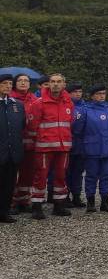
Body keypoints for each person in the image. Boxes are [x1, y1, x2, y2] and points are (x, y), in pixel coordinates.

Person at [27, 73, 75, 218]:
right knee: (40, 176)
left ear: (64, 85)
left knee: (61, 176)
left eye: (59, 81)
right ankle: (37, 206)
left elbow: (69, 123)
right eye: (52, 81)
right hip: (44, 147)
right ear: (48, 84)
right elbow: (32, 126)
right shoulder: (39, 103)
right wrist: (39, 141)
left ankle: (58, 205)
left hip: (63, 147)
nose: (55, 84)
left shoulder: (69, 102)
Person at [73, 85, 108, 212]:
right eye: (98, 93)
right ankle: (91, 202)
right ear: (92, 95)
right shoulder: (84, 110)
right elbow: (77, 130)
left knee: (106, 175)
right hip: (91, 148)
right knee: (91, 175)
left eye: (103, 93)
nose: (102, 96)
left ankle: (105, 201)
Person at [0, 74, 26, 224]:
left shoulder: (17, 105)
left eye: (10, 83)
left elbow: (21, 126)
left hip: (13, 152)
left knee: (9, 184)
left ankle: (4, 212)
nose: (8, 86)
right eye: (5, 83)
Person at [10, 73, 37, 214]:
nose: (23, 83)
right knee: (12, 174)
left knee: (28, 174)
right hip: (14, 143)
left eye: (26, 81)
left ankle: (24, 200)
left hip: (31, 144)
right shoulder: (9, 99)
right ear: (15, 83)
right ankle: (12, 201)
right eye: (20, 80)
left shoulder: (35, 99)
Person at [65, 82, 87, 208]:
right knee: (66, 172)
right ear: (69, 93)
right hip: (68, 144)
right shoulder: (66, 106)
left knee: (78, 172)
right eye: (75, 92)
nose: (78, 94)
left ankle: (77, 196)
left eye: (80, 92)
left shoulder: (85, 107)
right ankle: (65, 196)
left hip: (81, 145)